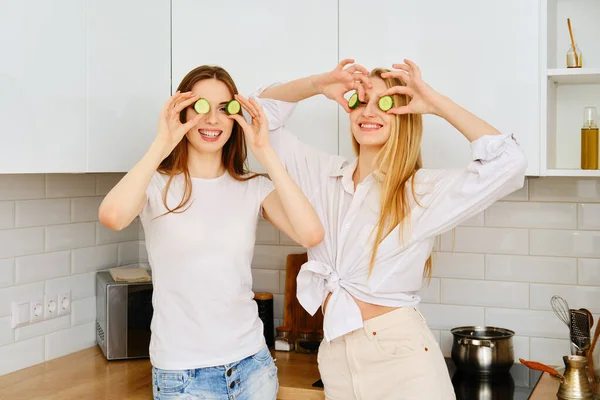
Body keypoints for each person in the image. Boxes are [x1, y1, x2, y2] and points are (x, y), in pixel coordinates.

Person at [250, 58, 527, 399]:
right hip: (336, 357)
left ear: (406, 116)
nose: (368, 112)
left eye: (385, 104)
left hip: (401, 360)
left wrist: (436, 103)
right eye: (359, 101)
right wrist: (319, 84)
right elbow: (258, 114)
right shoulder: (324, 175)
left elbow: (510, 164)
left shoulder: (418, 191)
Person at [98, 65, 324, 400]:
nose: (213, 120)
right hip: (182, 375)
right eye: (201, 107)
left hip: (253, 367)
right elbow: (112, 217)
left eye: (224, 109)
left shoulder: (253, 188)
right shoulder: (156, 184)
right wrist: (162, 142)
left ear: (237, 118)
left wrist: (265, 152)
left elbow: (311, 234)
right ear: (182, 111)